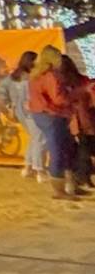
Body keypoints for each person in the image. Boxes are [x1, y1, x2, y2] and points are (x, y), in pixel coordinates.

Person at [27, 44, 85, 202]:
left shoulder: (36, 74)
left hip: (41, 114)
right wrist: (75, 95)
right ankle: (60, 188)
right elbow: (59, 99)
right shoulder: (52, 75)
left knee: (63, 147)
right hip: (52, 115)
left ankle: (67, 185)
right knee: (59, 150)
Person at [4, 50, 45, 180]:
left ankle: (28, 167)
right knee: (40, 138)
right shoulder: (31, 77)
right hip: (31, 111)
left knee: (34, 138)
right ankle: (39, 170)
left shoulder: (13, 77)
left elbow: (8, 95)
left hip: (20, 111)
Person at [58, 52, 94, 192]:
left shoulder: (61, 83)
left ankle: (81, 177)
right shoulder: (83, 81)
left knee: (80, 149)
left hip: (72, 119)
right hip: (86, 118)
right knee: (85, 148)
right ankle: (84, 177)